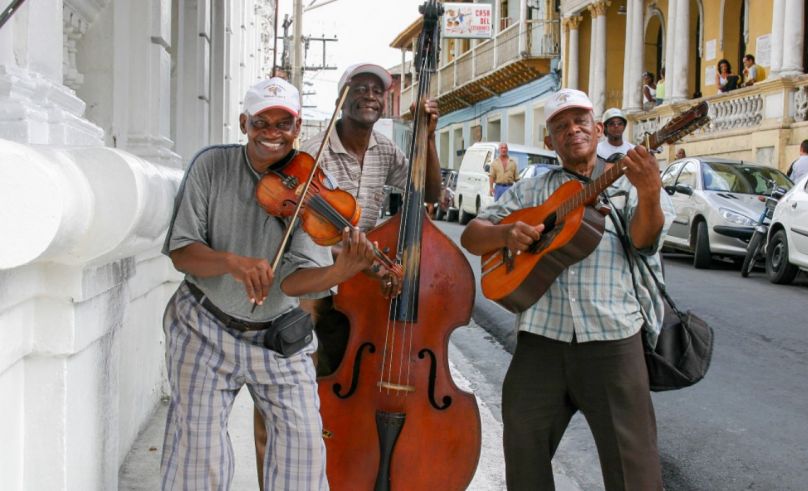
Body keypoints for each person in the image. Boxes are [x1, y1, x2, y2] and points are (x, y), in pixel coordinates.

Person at [160, 77, 378, 490]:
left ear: (297, 129)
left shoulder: (310, 184)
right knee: (198, 454)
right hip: (204, 325)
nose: (273, 133)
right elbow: (181, 252)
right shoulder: (211, 166)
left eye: (284, 124)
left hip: (278, 333)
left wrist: (339, 272)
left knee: (304, 451)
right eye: (262, 122)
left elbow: (296, 283)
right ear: (245, 123)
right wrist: (231, 262)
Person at [460, 88, 675, 490]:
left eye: (580, 122)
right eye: (561, 126)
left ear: (596, 131)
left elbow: (645, 241)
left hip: (612, 339)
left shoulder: (626, 181)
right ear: (550, 142)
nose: (572, 130)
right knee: (524, 453)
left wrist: (649, 193)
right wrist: (506, 233)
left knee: (635, 471)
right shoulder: (531, 191)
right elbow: (473, 236)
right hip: (541, 341)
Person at [252, 63, 442, 482]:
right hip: (310, 288)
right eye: (361, 87)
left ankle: (336, 475)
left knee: (341, 395)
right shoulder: (312, 152)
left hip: (360, 288)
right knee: (289, 394)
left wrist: (426, 135)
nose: (370, 95)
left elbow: (428, 193)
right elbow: (275, 206)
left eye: (378, 89)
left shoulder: (386, 151)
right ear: (343, 96)